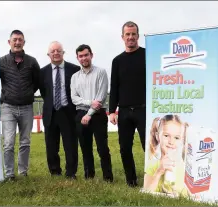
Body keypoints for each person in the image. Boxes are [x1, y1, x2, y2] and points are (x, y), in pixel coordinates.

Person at [0, 29, 41, 181]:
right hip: (8, 107)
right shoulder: (1, 62)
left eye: (20, 40)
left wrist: (28, 92)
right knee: (8, 142)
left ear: (24, 42)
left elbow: (37, 81)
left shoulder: (32, 62)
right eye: (14, 39)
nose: (17, 42)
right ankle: (9, 174)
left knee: (25, 141)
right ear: (9, 42)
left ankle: (23, 172)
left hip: (26, 107)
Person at [109, 21, 146, 187]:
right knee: (125, 148)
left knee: (150, 146)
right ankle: (131, 180)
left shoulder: (147, 54)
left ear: (138, 36)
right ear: (122, 37)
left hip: (144, 110)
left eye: (133, 34)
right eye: (127, 34)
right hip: (124, 112)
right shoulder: (117, 61)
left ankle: (154, 179)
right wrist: (111, 111)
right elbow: (114, 87)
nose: (130, 37)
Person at [70, 44, 113, 182]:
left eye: (86, 55)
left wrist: (89, 114)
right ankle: (89, 176)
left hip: (98, 114)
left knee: (102, 148)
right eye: (81, 56)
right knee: (85, 148)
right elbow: (74, 98)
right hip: (80, 114)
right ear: (77, 58)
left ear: (91, 55)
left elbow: (101, 97)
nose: (84, 58)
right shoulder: (75, 77)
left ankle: (108, 177)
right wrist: (89, 103)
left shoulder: (101, 72)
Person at [39, 41, 80, 179]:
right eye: (53, 51)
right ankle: (55, 172)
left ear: (63, 52)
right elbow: (44, 92)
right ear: (48, 54)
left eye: (58, 50)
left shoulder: (74, 69)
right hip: (50, 113)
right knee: (51, 145)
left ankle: (71, 172)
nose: (56, 53)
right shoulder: (42, 72)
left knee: (70, 144)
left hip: (68, 112)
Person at [144, 114, 189, 197]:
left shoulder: (184, 167)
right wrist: (158, 172)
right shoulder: (152, 165)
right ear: (158, 136)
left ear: (182, 140)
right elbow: (146, 193)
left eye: (176, 138)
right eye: (166, 136)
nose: (171, 142)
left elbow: (188, 196)